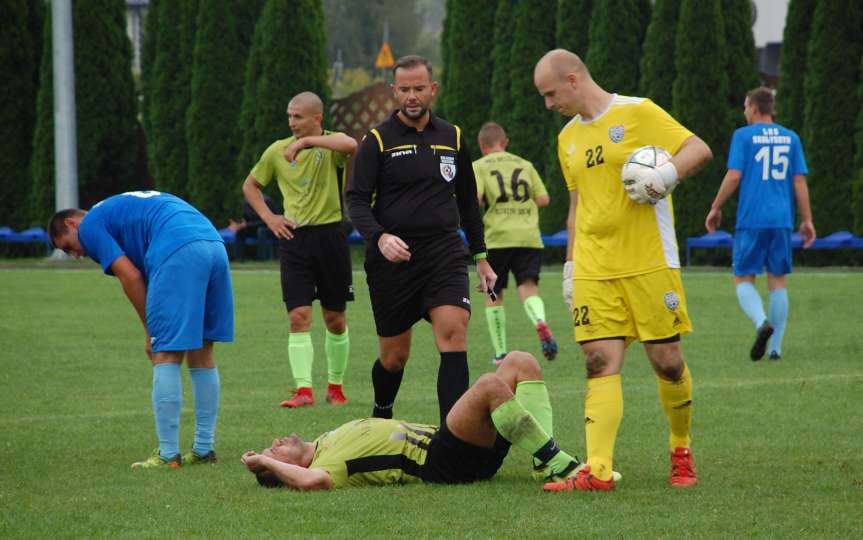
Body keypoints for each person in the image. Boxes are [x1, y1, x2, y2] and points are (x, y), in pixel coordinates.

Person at [533, 49, 713, 491]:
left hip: (649, 260)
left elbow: (699, 149)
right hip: (595, 265)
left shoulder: (638, 113)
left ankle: (680, 448)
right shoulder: (566, 139)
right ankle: (596, 471)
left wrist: (666, 175)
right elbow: (576, 206)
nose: (548, 104)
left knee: (667, 363)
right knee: (598, 359)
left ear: (573, 80)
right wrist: (571, 266)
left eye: (551, 94)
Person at [346, 55, 497, 425]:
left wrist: (481, 257)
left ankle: (454, 435)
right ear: (393, 92)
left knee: (453, 333)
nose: (412, 96)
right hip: (392, 263)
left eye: (419, 88)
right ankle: (382, 411)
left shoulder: (454, 137)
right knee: (394, 358)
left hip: (444, 253)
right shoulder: (377, 141)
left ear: (433, 89)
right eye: (405, 89)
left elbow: (467, 204)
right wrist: (380, 238)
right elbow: (356, 201)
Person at [49, 190, 232, 469]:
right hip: (213, 244)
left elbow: (131, 276)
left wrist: (151, 330)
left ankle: (169, 454)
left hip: (177, 248)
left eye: (67, 246)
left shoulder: (90, 225)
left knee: (165, 353)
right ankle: (204, 449)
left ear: (74, 224)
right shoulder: (117, 210)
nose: (75, 254)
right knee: (202, 351)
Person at [241, 352, 588, 490]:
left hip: (455, 447)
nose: (273, 445)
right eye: (273, 455)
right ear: (285, 472)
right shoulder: (326, 465)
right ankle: (560, 463)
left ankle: (543, 464)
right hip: (442, 461)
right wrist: (262, 462)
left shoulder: (324, 440)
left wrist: (267, 461)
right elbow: (313, 481)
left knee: (520, 362)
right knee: (488, 385)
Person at [242, 91, 357, 408]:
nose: (291, 122)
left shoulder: (331, 144)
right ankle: (304, 390)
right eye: (289, 116)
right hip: (294, 241)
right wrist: (269, 217)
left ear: (317, 119)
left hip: (331, 237)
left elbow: (352, 145)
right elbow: (250, 186)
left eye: (298, 117)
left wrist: (307, 143)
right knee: (298, 316)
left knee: (335, 318)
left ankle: (335, 387)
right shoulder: (276, 151)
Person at [705, 87, 815, 362]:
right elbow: (799, 182)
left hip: (752, 218)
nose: (744, 111)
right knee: (778, 281)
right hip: (781, 220)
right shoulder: (791, 138)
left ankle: (760, 322)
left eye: (745, 106)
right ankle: (776, 348)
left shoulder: (743, 136)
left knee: (743, 278)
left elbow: (733, 176)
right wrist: (808, 219)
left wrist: (716, 206)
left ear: (754, 108)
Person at [473, 121, 557, 364]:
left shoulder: (478, 166)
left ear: (482, 145)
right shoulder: (525, 164)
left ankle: (500, 353)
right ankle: (539, 322)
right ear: (505, 142)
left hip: (497, 237)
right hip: (528, 237)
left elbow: (476, 198)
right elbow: (543, 199)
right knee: (528, 288)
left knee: (493, 294)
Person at [228, 193, 280, 261]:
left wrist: (247, 225)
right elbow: (245, 218)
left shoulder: (267, 202)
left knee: (261, 231)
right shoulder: (246, 203)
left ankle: (261, 258)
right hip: (253, 228)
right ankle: (239, 258)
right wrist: (238, 224)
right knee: (240, 231)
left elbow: (267, 221)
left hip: (270, 228)